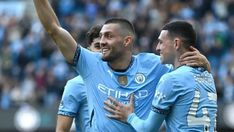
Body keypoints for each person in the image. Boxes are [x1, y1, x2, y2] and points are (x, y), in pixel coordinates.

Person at [33, 0, 211, 131]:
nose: (102, 42)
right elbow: (53, 29)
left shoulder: (155, 65)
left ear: (127, 41)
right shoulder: (89, 64)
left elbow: (191, 76)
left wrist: (205, 64)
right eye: (101, 36)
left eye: (108, 36)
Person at [104, 21, 217, 132]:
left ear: (176, 44)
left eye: (161, 42)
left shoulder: (171, 79)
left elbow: (147, 129)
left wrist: (129, 116)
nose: (157, 48)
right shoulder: (208, 76)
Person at [56, 25, 102, 132]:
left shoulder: (123, 80)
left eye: (105, 46)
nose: (102, 51)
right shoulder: (76, 85)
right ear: (88, 50)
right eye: (97, 46)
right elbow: (62, 129)